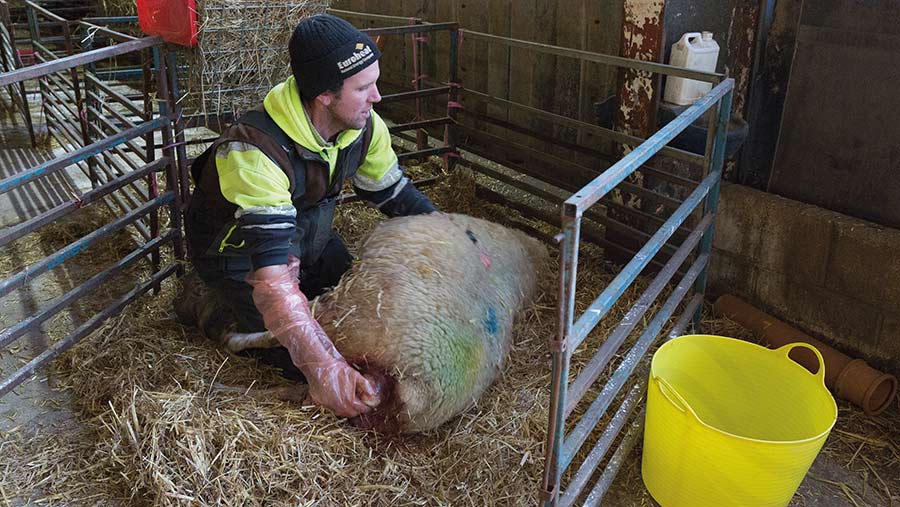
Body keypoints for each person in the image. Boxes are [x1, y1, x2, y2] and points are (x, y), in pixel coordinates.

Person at [175, 14, 437, 419]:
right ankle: (209, 308)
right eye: (364, 88)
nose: (378, 97)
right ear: (324, 96)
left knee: (366, 315)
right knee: (296, 356)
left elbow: (393, 192)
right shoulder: (254, 151)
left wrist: (454, 236)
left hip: (309, 236)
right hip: (242, 256)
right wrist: (323, 367)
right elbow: (273, 281)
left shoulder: (362, 127)